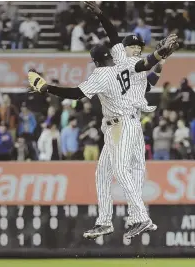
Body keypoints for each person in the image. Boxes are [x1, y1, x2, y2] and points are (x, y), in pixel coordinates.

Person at [27, 1, 178, 239]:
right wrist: (101, 14)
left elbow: (76, 94)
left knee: (119, 169)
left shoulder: (102, 73)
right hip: (127, 123)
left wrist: (47, 88)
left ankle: (141, 217)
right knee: (103, 173)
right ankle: (105, 221)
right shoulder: (123, 62)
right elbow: (120, 40)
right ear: (112, 54)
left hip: (121, 124)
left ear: (96, 62)